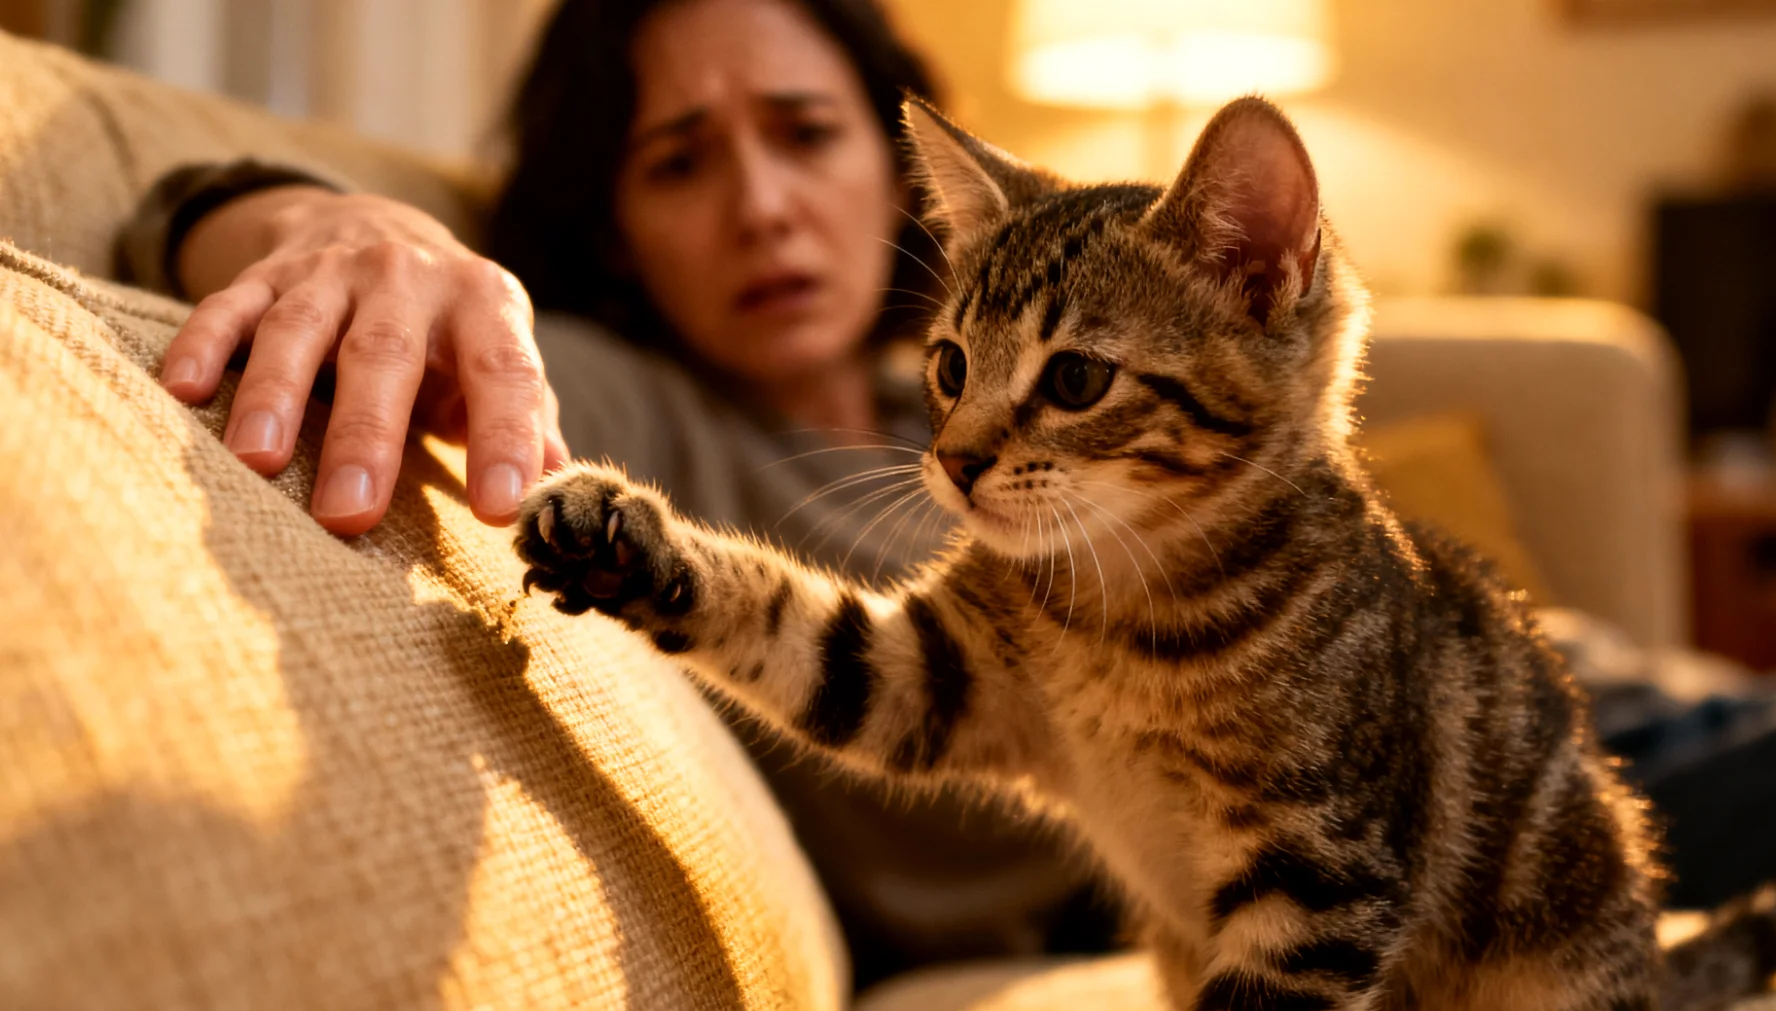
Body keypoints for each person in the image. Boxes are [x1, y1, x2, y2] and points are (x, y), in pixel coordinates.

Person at [117, 0, 1113, 988]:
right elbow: (171, 212)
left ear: (901, 176)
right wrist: (353, 230)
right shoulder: (616, 400)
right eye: (679, 163)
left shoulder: (957, 413)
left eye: (806, 134)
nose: (764, 208)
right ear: (616, 235)